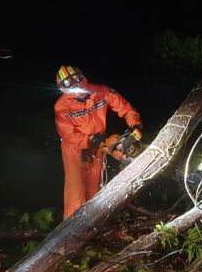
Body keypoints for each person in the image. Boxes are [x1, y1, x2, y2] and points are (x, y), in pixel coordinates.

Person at [54, 65, 142, 220]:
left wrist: (134, 125)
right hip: (75, 149)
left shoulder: (101, 91)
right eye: (68, 83)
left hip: (98, 144)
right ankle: (72, 232)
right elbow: (68, 134)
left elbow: (126, 108)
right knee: (76, 193)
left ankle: (93, 226)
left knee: (94, 189)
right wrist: (91, 139)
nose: (74, 84)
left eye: (76, 79)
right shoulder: (62, 106)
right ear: (62, 87)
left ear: (82, 77)